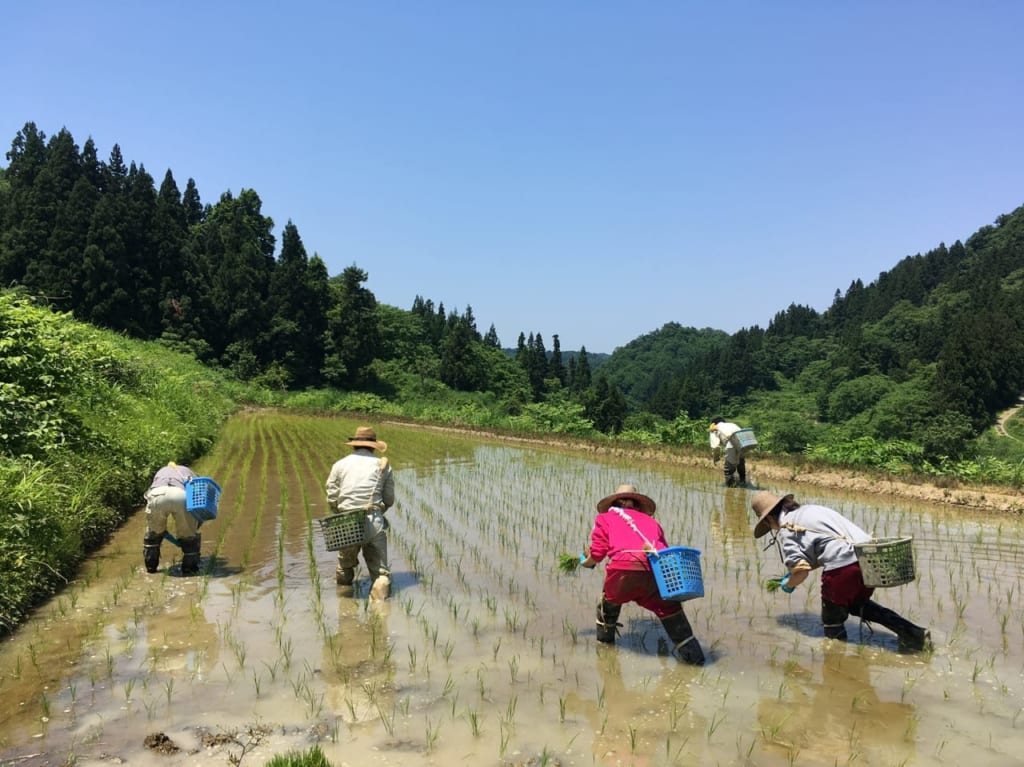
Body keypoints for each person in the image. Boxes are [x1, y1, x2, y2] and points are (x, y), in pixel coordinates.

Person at [751, 490, 931, 652]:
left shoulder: (786, 529)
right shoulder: (811, 510)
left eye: (769, 526)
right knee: (857, 605)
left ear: (769, 518)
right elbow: (826, 547)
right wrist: (797, 572)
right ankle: (914, 634)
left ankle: (837, 663)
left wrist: (788, 584)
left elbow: (802, 570)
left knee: (831, 618)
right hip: (868, 559)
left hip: (843, 568)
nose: (772, 530)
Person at [580, 484, 705, 665]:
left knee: (608, 605)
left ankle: (605, 656)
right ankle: (696, 661)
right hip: (653, 573)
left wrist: (586, 562)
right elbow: (663, 553)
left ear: (616, 503)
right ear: (637, 505)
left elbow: (597, 553)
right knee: (671, 610)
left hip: (622, 572)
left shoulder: (605, 518)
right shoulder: (652, 522)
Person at [325, 426, 395, 600]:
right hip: (374, 521)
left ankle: (344, 604)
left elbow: (332, 496)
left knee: (344, 566)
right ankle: (380, 614)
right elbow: (389, 500)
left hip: (348, 520)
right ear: (373, 446)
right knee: (381, 574)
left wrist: (340, 511)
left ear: (354, 445)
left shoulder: (340, 464)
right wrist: (376, 512)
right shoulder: (383, 466)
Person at [143, 462, 201, 575]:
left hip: (157, 494)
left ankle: (151, 567)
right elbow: (198, 500)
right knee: (188, 536)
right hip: (180, 495)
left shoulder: (161, 471)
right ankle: (189, 569)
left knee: (153, 534)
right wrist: (194, 525)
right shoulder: (190, 474)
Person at [709, 417, 747, 486]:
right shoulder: (732, 424)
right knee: (740, 462)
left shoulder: (714, 428)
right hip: (743, 442)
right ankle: (743, 482)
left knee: (728, 469)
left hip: (731, 442)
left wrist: (716, 458)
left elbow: (715, 447)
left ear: (713, 424)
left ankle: (730, 489)